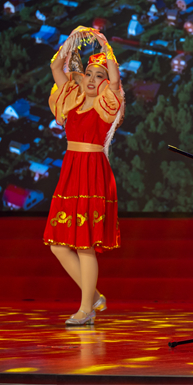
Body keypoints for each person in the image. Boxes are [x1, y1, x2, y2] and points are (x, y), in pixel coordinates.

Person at [43, 26, 124, 326]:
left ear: (105, 82)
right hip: (71, 171)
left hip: (93, 173)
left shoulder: (108, 103)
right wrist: (70, 42)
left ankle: (86, 309)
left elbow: (116, 80)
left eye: (98, 76)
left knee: (85, 244)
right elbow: (56, 67)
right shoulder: (72, 97)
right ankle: (94, 297)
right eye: (88, 73)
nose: (91, 79)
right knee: (58, 244)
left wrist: (105, 46)